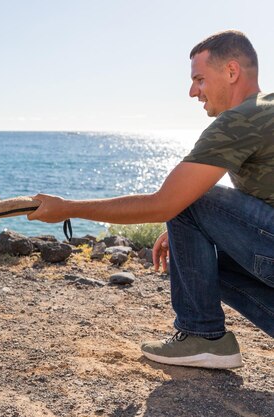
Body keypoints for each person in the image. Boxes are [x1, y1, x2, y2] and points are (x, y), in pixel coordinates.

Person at [28, 30, 273, 369]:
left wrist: (68, 208)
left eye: (199, 79)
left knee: (189, 201)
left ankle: (203, 335)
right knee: (196, 261)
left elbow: (166, 203)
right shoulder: (267, 110)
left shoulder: (241, 118)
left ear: (231, 72)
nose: (192, 92)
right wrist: (194, 234)